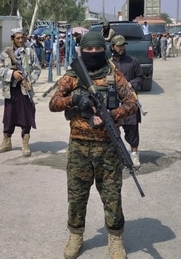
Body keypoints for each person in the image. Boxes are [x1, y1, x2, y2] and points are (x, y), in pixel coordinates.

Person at [48, 31, 137, 259]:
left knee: (112, 196)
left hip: (108, 148)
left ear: (104, 49)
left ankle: (115, 238)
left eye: (98, 49)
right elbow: (54, 103)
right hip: (79, 147)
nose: (94, 53)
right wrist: (75, 100)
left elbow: (132, 103)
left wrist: (111, 114)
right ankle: (76, 235)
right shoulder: (72, 76)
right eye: (89, 50)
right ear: (82, 51)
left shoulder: (114, 75)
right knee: (77, 196)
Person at [0, 28, 41, 157]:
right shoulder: (5, 53)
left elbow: (37, 68)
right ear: (12, 39)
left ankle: (25, 143)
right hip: (10, 90)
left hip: (25, 91)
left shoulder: (30, 52)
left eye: (22, 38)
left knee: (26, 116)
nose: (20, 40)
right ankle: (7, 141)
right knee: (9, 117)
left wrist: (30, 80)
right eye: (17, 38)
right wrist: (12, 73)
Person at [110, 35, 144, 169]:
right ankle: (116, 155)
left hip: (129, 102)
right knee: (113, 129)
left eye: (123, 45)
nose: (121, 48)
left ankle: (134, 154)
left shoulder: (133, 62)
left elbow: (141, 78)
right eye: (118, 46)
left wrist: (131, 84)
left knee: (132, 129)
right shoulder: (108, 64)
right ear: (112, 47)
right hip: (113, 102)